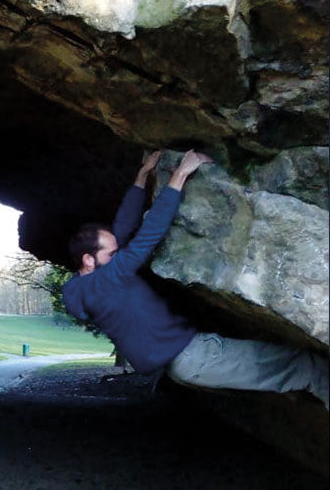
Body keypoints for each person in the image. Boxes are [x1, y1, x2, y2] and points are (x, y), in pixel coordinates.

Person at [63, 150, 329, 409]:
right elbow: (148, 234)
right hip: (196, 357)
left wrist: (142, 177)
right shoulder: (107, 279)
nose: (118, 251)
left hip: (185, 361)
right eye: (112, 252)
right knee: (308, 367)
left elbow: (122, 227)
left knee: (291, 372)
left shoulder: (84, 285)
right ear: (89, 259)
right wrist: (179, 174)